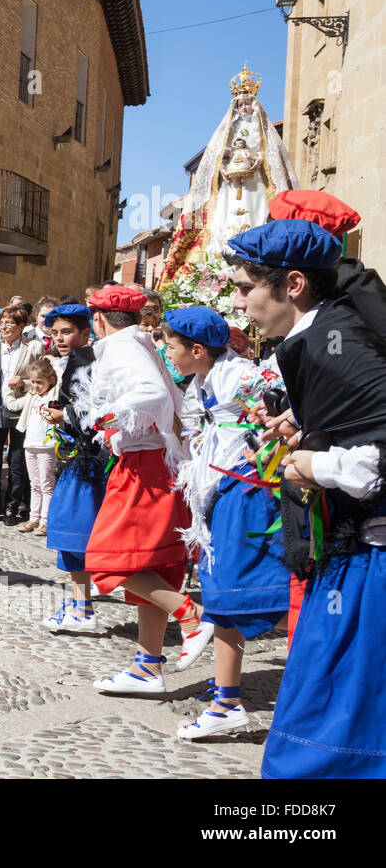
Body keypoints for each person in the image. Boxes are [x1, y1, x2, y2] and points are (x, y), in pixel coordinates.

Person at [219, 220, 386, 777]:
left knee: (337, 703)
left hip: (369, 557)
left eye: (246, 289)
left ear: (292, 284)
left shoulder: (331, 341)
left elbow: (375, 463)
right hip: (351, 552)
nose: (239, 305)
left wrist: (315, 464)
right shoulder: (325, 331)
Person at [160, 306, 287, 740]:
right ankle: (227, 701)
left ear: (197, 350)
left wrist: (268, 439)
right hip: (224, 489)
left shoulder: (240, 375)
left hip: (249, 491)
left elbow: (278, 400)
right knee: (223, 597)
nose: (167, 352)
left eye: (172, 347)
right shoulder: (204, 379)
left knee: (245, 594)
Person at [85, 285, 210, 695]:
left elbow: (153, 396)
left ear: (98, 319)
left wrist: (105, 417)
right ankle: (147, 667)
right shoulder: (141, 345)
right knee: (155, 566)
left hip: (144, 466)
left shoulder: (120, 347)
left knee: (106, 559)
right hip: (162, 462)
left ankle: (189, 614)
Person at [39, 303, 107, 633]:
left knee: (72, 534)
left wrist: (61, 417)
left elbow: (93, 414)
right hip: (84, 459)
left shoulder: (85, 359)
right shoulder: (79, 360)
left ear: (85, 332)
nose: (60, 338)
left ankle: (84, 607)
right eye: (54, 333)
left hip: (88, 462)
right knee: (75, 536)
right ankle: (82, 605)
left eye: (67, 332)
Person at [0, 305, 42, 524]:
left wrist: (24, 383)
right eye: (2, 322)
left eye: (10, 323)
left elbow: (43, 381)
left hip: (20, 410)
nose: (4, 326)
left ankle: (13, 505)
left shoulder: (33, 348)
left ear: (21, 326)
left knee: (16, 460)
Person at [17, 358, 60, 535]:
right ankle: (33, 518)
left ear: (50, 380)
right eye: (33, 381)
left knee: (46, 484)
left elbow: (60, 376)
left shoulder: (54, 394)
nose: (35, 385)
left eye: (39, 382)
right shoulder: (32, 395)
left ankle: (45, 520)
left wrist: (53, 361)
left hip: (47, 445)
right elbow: (13, 404)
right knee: (34, 484)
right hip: (31, 443)